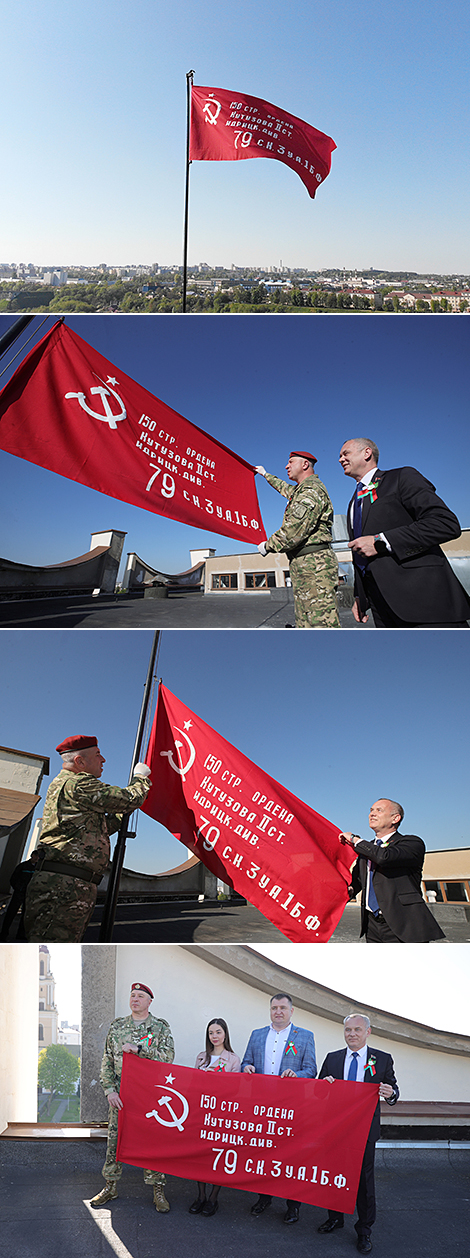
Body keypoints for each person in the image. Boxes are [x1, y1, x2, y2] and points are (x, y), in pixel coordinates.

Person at [24, 735, 152, 943]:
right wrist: (141, 778)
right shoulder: (78, 783)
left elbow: (97, 830)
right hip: (64, 887)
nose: (103, 760)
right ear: (80, 762)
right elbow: (129, 798)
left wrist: (122, 812)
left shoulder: (70, 786)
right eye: (98, 755)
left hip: (70, 885)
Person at [339, 437, 470, 627]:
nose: (341, 459)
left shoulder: (401, 477)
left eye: (346, 453)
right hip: (381, 605)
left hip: (425, 601)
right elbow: (360, 553)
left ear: (367, 453)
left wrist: (380, 541)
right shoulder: (353, 502)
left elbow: (445, 523)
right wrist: (360, 595)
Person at [317, 1013, 399, 1253]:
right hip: (336, 1129)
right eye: (348, 1030)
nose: (352, 1034)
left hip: (364, 1130)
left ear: (368, 1032)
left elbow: (394, 1091)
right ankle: (335, 1218)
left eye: (357, 1030)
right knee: (333, 1175)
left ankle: (364, 1230)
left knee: (364, 1181)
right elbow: (319, 1092)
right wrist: (325, 1085)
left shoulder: (382, 1059)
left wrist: (390, 1093)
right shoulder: (332, 1059)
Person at [90, 982, 175, 1211]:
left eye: (140, 996)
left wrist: (139, 1049)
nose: (135, 999)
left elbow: (168, 1057)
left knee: (152, 1141)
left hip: (151, 1094)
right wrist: (109, 1090)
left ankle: (158, 1189)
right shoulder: (117, 1027)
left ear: (149, 1001)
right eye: (132, 996)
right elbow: (107, 1060)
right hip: (121, 1094)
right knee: (115, 1141)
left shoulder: (159, 1028)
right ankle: (110, 1186)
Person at [241, 992, 317, 1223]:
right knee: (265, 1153)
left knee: (292, 1155)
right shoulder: (257, 1035)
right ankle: (264, 1197)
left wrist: (297, 1074)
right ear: (270, 1010)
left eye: (283, 1008)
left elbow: (311, 1069)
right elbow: (246, 1062)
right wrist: (247, 1068)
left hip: (291, 1107)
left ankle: (293, 1205)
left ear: (291, 1011)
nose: (278, 1012)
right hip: (263, 1107)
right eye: (274, 1008)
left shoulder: (304, 1036)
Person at [340, 798, 445, 943]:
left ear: (395, 818)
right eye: (371, 810)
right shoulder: (366, 849)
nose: (372, 814)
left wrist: (355, 840)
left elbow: (385, 857)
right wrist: (347, 890)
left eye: (379, 810)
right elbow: (359, 880)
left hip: (404, 924)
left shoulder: (411, 843)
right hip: (372, 925)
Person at [255, 452, 339, 627]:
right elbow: (283, 487)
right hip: (305, 564)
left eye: (291, 462)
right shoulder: (301, 490)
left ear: (305, 465)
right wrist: (265, 474)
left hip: (314, 565)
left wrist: (268, 546)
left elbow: (294, 530)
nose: (287, 466)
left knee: (319, 622)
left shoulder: (311, 490)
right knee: (306, 619)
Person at [189, 1018, 241, 1217]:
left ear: (225, 1034)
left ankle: (213, 1198)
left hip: (222, 1116)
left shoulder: (233, 1059)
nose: (215, 1036)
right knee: (200, 1156)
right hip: (203, 1114)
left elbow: (236, 1090)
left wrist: (219, 1079)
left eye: (218, 1032)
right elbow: (193, 1085)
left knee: (217, 1157)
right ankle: (200, 1196)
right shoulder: (202, 1057)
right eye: (211, 1033)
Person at [0, 846, 43, 940]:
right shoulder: (23, 866)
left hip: (29, 894)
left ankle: (20, 934)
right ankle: (4, 934)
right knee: (11, 914)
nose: (36, 858)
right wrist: (18, 888)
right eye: (35, 856)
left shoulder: (37, 869)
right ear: (32, 856)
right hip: (19, 893)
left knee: (25, 915)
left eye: (38, 857)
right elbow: (13, 878)